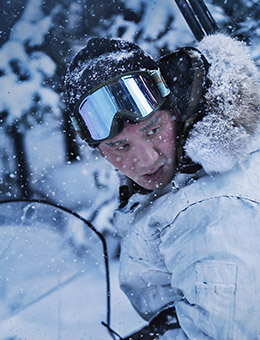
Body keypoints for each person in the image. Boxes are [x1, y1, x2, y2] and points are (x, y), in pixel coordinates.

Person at [64, 33, 260, 339]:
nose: (145, 159)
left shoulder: (211, 208)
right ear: (100, 151)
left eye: (153, 129)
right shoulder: (187, 181)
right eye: (120, 146)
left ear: (175, 110)